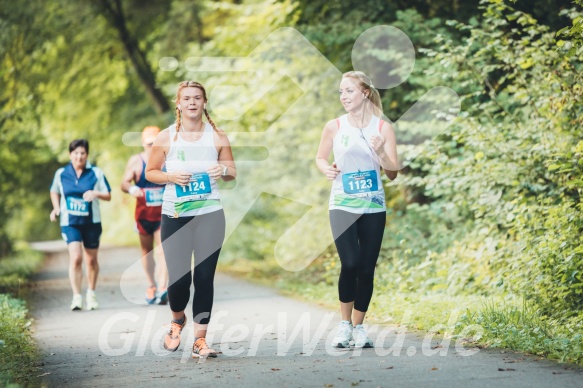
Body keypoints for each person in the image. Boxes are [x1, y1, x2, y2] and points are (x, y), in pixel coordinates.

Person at [145, 81, 236, 358]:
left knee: (205, 277)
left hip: (210, 215)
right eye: (187, 98)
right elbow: (151, 172)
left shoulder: (217, 136)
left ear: (204, 103)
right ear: (178, 104)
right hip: (176, 216)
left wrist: (221, 168)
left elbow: (232, 171)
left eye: (197, 98)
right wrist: (170, 176)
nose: (192, 102)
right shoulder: (166, 137)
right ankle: (176, 320)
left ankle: (200, 340)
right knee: (178, 280)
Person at [316, 71, 398, 348]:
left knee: (366, 268)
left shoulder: (383, 128)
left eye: (349, 91)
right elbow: (319, 157)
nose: (344, 97)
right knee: (349, 263)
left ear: (364, 93)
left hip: (373, 206)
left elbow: (393, 173)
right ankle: (343, 325)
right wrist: (326, 168)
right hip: (342, 203)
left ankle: (359, 327)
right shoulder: (334, 126)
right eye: (341, 92)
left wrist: (381, 152)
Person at [49, 139, 112, 311]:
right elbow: (54, 190)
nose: (79, 156)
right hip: (70, 223)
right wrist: (56, 208)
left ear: (87, 155)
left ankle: (91, 294)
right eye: (76, 153)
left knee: (91, 260)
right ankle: (76, 297)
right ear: (70, 155)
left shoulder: (96, 173)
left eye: (82, 153)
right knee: (76, 257)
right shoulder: (61, 173)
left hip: (92, 222)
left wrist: (95, 193)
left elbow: (108, 195)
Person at [121, 126, 168, 305]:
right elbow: (124, 182)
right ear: (143, 143)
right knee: (147, 253)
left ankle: (163, 289)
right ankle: (151, 285)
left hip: (164, 215)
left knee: (164, 251)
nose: (152, 146)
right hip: (143, 216)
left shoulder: (167, 161)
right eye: (149, 143)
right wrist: (132, 188)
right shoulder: (136, 161)